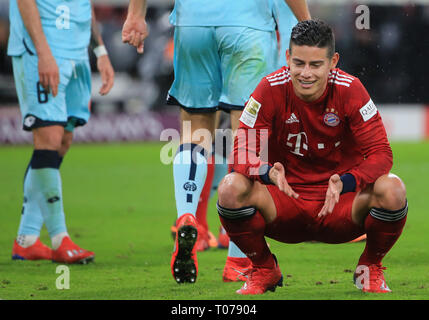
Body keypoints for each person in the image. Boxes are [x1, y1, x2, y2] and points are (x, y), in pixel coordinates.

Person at [122, 0, 311, 285]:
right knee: (247, 139)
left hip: (193, 26)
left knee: (195, 132)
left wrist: (135, 15)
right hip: (247, 27)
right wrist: (306, 25)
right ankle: (239, 259)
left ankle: (187, 216)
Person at [216, 20, 408, 295]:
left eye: (316, 65)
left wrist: (346, 182)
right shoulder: (269, 89)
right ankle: (263, 268)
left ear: (333, 62)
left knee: (393, 189)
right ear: (287, 59)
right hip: (284, 202)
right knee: (231, 187)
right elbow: (240, 152)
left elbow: (381, 154)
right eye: (299, 63)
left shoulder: (350, 89)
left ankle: (369, 268)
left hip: (341, 206)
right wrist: (266, 171)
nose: (306, 73)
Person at [8, 0, 114, 263]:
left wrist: (100, 50)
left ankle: (27, 239)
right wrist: (43, 52)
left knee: (63, 140)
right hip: (42, 50)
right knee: (48, 137)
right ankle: (59, 239)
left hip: (76, 52)